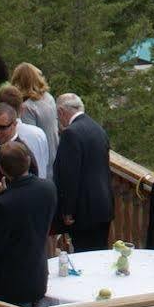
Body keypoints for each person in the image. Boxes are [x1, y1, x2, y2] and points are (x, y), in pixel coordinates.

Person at [0, 140, 56, 307]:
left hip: (12, 283)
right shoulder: (48, 188)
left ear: (2, 170)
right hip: (38, 271)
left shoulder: (4, 204)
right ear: (28, 161)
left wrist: (2, 196)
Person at [53, 93, 114, 252]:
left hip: (83, 211)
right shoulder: (97, 128)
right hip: (103, 206)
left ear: (61, 112)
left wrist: (67, 210)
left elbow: (69, 176)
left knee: (85, 257)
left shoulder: (70, 134)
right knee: (100, 254)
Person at [8, 61, 59, 170]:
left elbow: (29, 141)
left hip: (39, 162)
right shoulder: (48, 98)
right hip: (53, 154)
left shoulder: (27, 108)